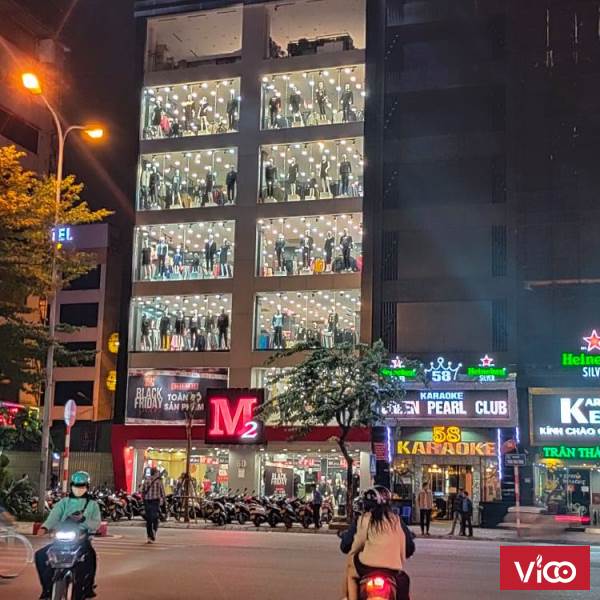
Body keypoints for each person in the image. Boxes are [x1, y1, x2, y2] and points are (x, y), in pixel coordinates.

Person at [35, 471, 100, 600]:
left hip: (81, 539)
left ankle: (87, 588)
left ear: (87, 487)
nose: (78, 488)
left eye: (81, 486)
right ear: (71, 486)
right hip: (61, 539)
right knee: (40, 555)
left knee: (90, 558)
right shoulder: (64, 502)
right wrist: (45, 527)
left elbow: (96, 523)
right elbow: (54, 516)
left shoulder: (93, 505)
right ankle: (46, 589)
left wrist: (83, 520)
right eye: (76, 485)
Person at [343, 488, 410, 600]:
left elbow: (358, 542)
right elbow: (403, 548)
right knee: (404, 581)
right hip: (392, 568)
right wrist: (399, 563)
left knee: (351, 572)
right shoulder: (396, 520)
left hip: (367, 566)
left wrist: (352, 555)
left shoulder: (365, 519)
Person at [141, 467, 166, 543]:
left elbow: (142, 491)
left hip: (147, 501)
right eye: (157, 472)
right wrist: (164, 502)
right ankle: (154, 531)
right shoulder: (159, 481)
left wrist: (143, 500)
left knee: (149, 519)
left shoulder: (146, 480)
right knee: (155, 518)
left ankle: (149, 536)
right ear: (155, 473)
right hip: (155, 501)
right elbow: (162, 493)